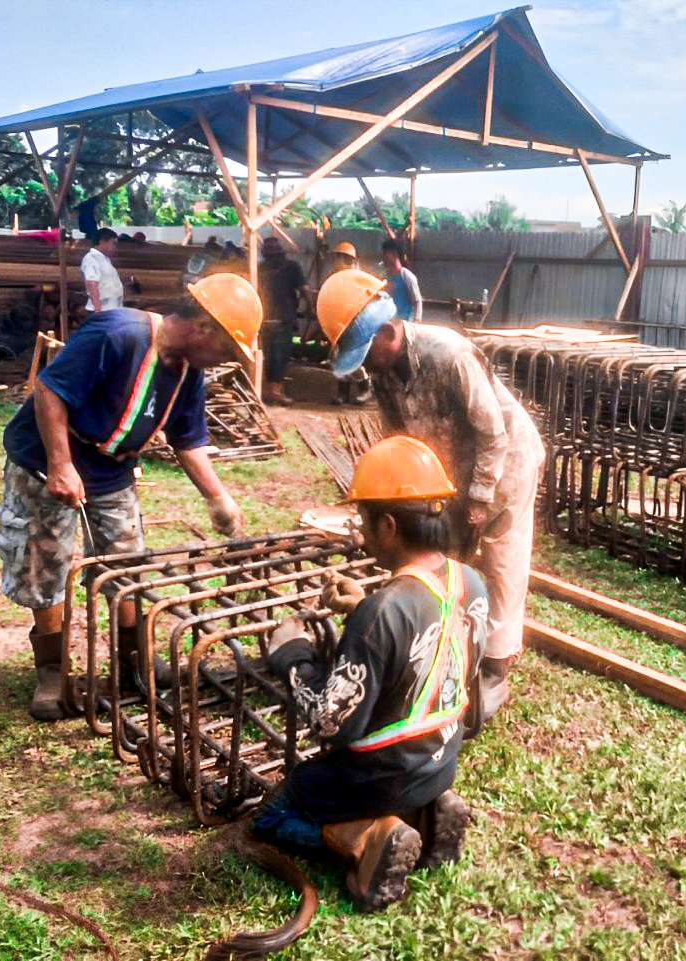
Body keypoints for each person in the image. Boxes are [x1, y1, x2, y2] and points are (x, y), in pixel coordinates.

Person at [0, 273, 263, 722]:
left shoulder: (187, 373)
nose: (224, 360)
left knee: (127, 563)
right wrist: (61, 464)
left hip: (111, 468)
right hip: (45, 459)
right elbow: (50, 390)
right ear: (204, 327)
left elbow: (188, 440)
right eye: (226, 349)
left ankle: (133, 663)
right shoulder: (117, 334)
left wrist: (218, 498)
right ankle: (52, 671)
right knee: (45, 560)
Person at [254, 435, 487, 911]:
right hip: (440, 761)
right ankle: (428, 811)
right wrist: (365, 604)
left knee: (274, 814)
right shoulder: (471, 581)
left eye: (363, 520)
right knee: (403, 769)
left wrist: (293, 656)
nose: (361, 533)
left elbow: (331, 724)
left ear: (388, 524)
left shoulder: (384, 612)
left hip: (379, 776)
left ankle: (369, 836)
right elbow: (440, 647)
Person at [316, 270, 544, 719]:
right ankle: (439, 641)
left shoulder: (450, 354)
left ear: (387, 331)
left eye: (367, 353)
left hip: (506, 462)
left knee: (501, 561)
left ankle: (493, 668)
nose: (366, 365)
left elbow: (492, 433)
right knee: (444, 556)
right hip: (452, 470)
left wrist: (479, 499)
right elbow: (397, 441)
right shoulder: (383, 373)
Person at [258, 235, 306, 406]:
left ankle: (267, 390)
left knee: (266, 355)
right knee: (280, 356)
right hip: (283, 318)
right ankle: (275, 392)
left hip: (263, 318)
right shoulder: (292, 267)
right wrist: (311, 308)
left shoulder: (258, 269)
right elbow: (304, 290)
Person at [326, 241, 369, 407]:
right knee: (338, 360)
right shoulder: (334, 278)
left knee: (355, 360)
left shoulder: (358, 279)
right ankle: (342, 394)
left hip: (355, 325)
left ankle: (365, 389)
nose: (334, 262)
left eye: (337, 258)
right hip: (339, 325)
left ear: (346, 259)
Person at [81, 228, 124, 314]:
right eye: (113, 243)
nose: (115, 247)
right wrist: (98, 311)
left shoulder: (104, 259)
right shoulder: (91, 258)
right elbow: (92, 284)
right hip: (102, 310)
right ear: (103, 242)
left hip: (111, 308)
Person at [381, 238, 422, 322]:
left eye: (385, 254)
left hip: (406, 324)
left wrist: (417, 321)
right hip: (390, 324)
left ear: (394, 254)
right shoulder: (385, 278)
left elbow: (417, 301)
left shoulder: (406, 276)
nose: (383, 257)